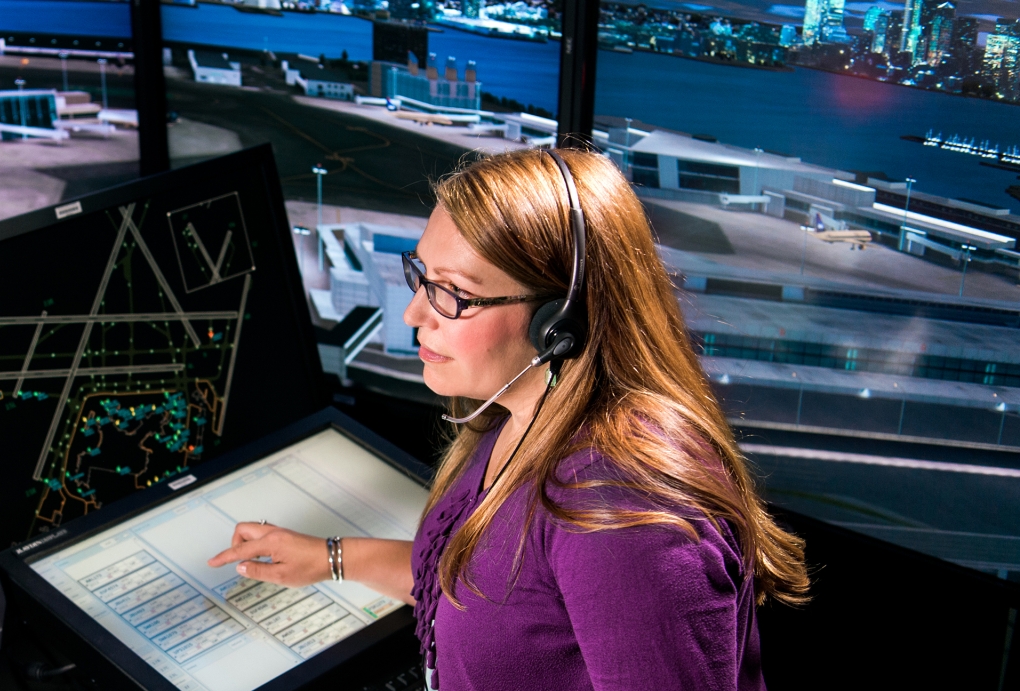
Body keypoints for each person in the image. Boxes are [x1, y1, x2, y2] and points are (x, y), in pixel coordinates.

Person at [207, 148, 808, 690]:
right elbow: (480, 591)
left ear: (558, 325)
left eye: (454, 294)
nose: (416, 312)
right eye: (421, 275)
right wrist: (330, 557)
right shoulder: (516, 412)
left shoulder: (619, 516)